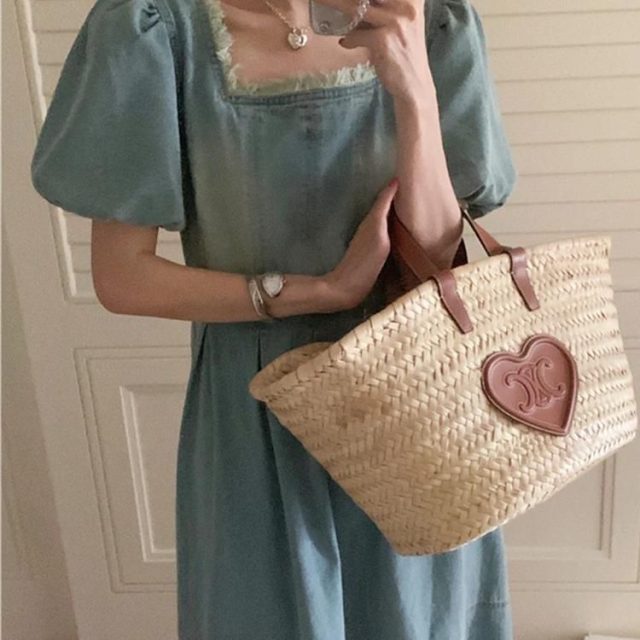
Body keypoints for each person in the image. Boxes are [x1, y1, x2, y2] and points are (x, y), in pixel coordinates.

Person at [30, 0, 518, 635]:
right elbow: (122, 278)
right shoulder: (153, 28)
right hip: (257, 414)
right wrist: (317, 292)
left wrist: (416, 92)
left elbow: (440, 254)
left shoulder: (429, 19)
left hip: (417, 395)